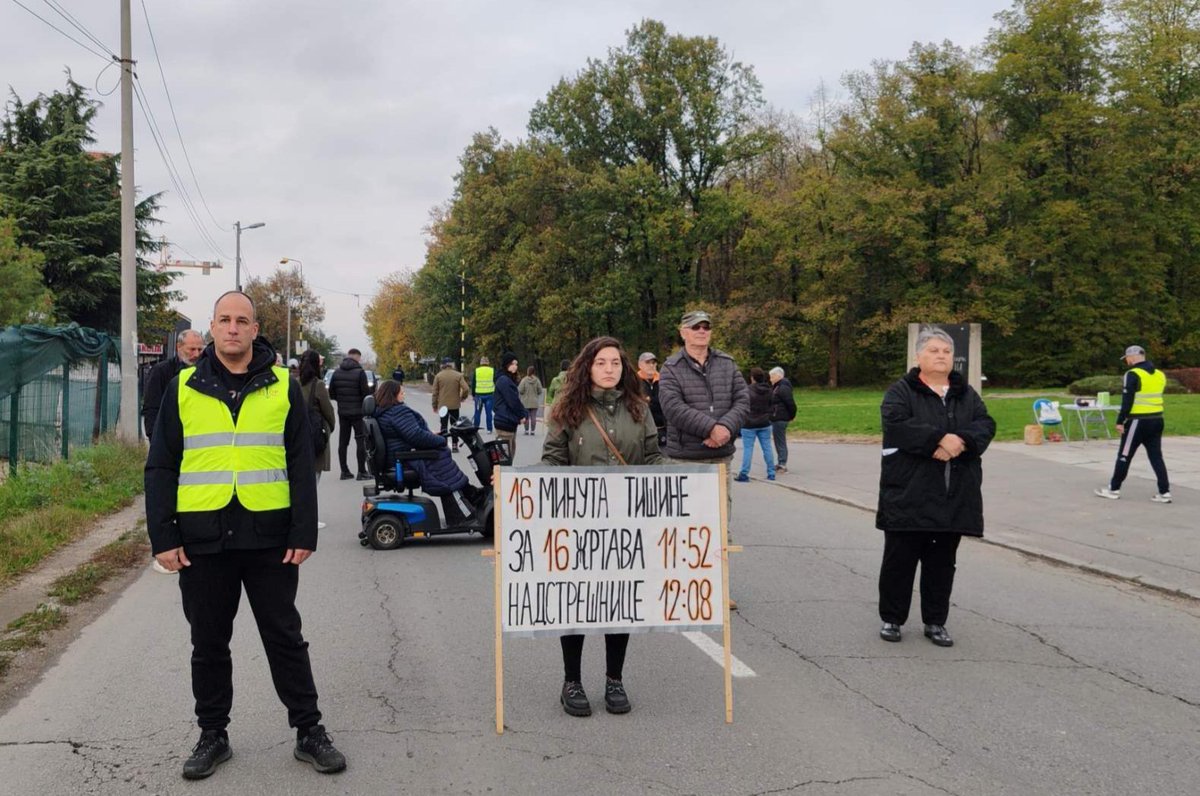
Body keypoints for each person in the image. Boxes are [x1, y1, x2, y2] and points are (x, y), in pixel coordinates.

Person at [144, 290, 346, 780]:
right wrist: (163, 537)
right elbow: (162, 466)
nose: (233, 328)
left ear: (255, 330)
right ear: (211, 329)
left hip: (270, 536)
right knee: (208, 642)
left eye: (242, 321)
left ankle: (309, 731)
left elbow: (301, 463)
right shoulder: (183, 387)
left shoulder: (282, 387)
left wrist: (304, 530)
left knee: (284, 637)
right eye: (224, 320)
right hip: (202, 538)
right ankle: (213, 734)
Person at [541, 336, 663, 717]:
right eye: (601, 363)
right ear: (587, 368)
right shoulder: (567, 410)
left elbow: (654, 458)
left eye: (615, 363)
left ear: (624, 368)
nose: (609, 369)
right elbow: (552, 461)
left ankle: (615, 679)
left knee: (619, 602)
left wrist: (687, 482)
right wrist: (519, 485)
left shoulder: (640, 410)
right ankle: (572, 681)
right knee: (575, 603)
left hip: (627, 525)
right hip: (579, 523)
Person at [876, 327, 995, 648]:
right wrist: (939, 440)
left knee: (942, 564)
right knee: (899, 561)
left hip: (952, 496)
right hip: (909, 494)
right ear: (918, 356)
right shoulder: (901, 391)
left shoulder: (966, 394)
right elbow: (898, 425)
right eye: (934, 350)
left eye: (945, 351)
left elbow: (985, 425)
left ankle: (935, 621)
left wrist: (961, 442)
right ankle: (892, 617)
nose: (941, 356)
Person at [658, 309, 749, 608]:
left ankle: (718, 588)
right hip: (685, 459)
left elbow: (742, 400)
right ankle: (681, 586)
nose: (701, 331)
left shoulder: (727, 363)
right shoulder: (671, 368)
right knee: (684, 526)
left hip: (720, 459)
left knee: (719, 525)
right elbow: (672, 407)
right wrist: (710, 427)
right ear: (683, 332)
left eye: (706, 326)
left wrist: (725, 429)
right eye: (695, 327)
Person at [372, 380, 478, 522]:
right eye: (401, 393)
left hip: (397, 457)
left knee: (442, 462)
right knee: (441, 459)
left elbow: (410, 433)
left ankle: (468, 492)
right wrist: (440, 440)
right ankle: (461, 513)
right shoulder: (397, 412)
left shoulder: (384, 412)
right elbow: (416, 436)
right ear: (393, 395)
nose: (404, 395)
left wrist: (431, 435)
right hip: (405, 459)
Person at [1095, 345, 1172, 503]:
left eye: (1127, 358)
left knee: (1124, 455)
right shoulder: (1159, 375)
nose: (1127, 361)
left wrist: (1120, 420)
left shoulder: (1132, 374)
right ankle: (1164, 492)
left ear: (1134, 356)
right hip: (1157, 419)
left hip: (1137, 421)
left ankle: (1113, 489)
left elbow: (1127, 400)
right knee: (1156, 456)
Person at [142, 330, 205, 440]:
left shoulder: (206, 372)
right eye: (192, 349)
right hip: (169, 438)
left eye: (200, 350)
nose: (196, 354)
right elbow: (151, 408)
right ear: (179, 347)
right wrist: (154, 439)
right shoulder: (161, 371)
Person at [299, 349, 335, 529]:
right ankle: (310, 519)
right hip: (315, 438)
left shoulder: (294, 383)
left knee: (300, 480)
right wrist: (329, 429)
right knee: (313, 481)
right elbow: (328, 411)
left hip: (298, 437)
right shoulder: (318, 385)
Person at [327, 348, 371, 481]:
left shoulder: (337, 373)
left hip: (343, 412)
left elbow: (331, 393)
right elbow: (366, 394)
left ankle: (344, 471)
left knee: (343, 441)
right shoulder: (360, 373)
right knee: (360, 440)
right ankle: (361, 472)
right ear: (357, 357)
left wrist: (341, 400)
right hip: (358, 412)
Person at [736, 367, 775, 482]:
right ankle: (771, 472)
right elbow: (772, 405)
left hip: (749, 424)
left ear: (752, 378)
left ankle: (744, 473)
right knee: (767, 448)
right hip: (765, 422)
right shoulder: (769, 390)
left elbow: (743, 406)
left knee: (748, 449)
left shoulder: (747, 390)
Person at [431, 356, 471, 451]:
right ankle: (454, 445)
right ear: (451, 364)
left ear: (442, 365)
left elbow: (435, 393)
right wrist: (462, 398)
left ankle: (444, 445)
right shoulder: (458, 375)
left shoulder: (438, 376)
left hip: (442, 406)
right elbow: (466, 388)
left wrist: (434, 405)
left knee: (443, 425)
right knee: (455, 425)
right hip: (455, 405)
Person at [493, 351, 528, 458]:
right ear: (507, 364)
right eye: (513, 364)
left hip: (507, 422)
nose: (515, 367)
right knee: (504, 460)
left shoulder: (506, 379)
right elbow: (513, 402)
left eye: (516, 364)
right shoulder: (504, 380)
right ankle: (500, 475)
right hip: (505, 422)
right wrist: (523, 415)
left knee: (507, 457)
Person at [769, 367, 797, 473]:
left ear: (779, 376)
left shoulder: (783, 388)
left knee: (780, 441)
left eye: (772, 376)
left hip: (780, 417)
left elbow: (790, 403)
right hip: (776, 417)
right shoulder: (777, 387)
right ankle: (781, 462)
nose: (770, 379)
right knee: (778, 440)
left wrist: (791, 416)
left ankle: (782, 463)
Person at [637, 352, 667, 446]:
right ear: (640, 365)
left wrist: (650, 400)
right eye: (648, 362)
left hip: (665, 430)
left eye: (653, 363)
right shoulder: (634, 382)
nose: (651, 365)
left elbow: (667, 403)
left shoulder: (664, 381)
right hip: (642, 433)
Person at [471, 355, 496, 432]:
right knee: (489, 413)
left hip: (479, 395)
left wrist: (473, 394)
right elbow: (495, 381)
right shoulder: (492, 370)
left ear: (481, 363)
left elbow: (473, 383)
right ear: (488, 362)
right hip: (489, 394)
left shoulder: (477, 370)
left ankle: (475, 428)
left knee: (477, 412)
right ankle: (489, 429)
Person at [518, 365, 544, 435]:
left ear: (527, 371)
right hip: (534, 401)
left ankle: (526, 430)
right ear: (534, 372)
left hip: (525, 402)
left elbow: (520, 390)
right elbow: (540, 391)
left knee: (526, 416)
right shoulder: (537, 380)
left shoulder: (524, 380)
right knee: (533, 417)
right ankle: (533, 431)